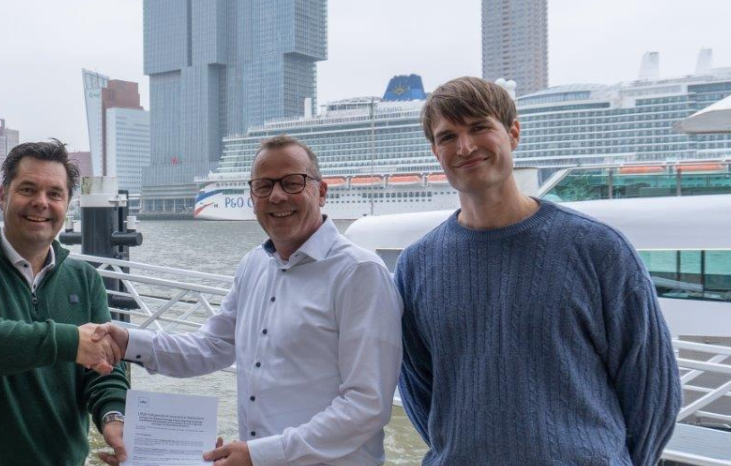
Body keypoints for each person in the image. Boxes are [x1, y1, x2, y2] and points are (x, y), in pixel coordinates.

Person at [395, 76, 681, 465]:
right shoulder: (415, 265)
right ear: (435, 151)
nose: (465, 147)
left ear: (513, 133)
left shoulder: (598, 249)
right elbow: (419, 389)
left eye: (479, 127)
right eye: (448, 137)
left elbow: (653, 389)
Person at [94, 135, 403, 465]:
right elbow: (212, 346)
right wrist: (129, 342)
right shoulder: (254, 264)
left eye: (292, 182)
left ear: (322, 192)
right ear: (252, 196)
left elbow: (367, 404)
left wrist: (261, 455)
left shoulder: (359, 273)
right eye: (264, 186)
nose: (277, 196)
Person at [0, 139, 129, 466]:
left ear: (68, 204)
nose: (41, 202)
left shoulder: (85, 279)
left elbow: (105, 368)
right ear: (2, 195)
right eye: (28, 189)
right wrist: (71, 341)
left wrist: (113, 416)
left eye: (55, 194)